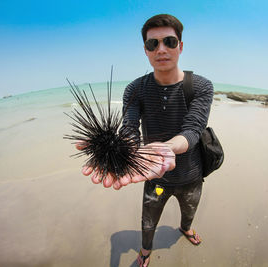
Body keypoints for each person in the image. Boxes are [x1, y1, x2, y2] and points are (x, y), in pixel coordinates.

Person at [80, 14, 213, 267]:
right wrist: (127, 148)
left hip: (191, 177)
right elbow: (129, 128)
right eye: (153, 44)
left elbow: (193, 129)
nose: (161, 49)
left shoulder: (201, 87)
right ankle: (145, 251)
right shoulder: (135, 89)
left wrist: (168, 147)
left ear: (180, 46)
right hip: (155, 178)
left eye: (169, 42)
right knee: (148, 219)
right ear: (145, 50)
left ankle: (185, 229)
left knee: (189, 212)